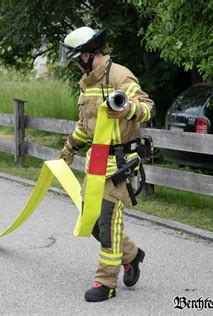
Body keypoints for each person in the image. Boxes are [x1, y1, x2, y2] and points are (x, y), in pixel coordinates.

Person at [57, 26, 154, 302]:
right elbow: (84, 127)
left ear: (88, 54)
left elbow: (148, 107)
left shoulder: (119, 75)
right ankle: (132, 255)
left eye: (78, 59)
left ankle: (105, 282)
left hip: (121, 162)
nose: (76, 64)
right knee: (92, 221)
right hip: (96, 161)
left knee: (109, 220)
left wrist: (127, 109)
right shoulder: (87, 83)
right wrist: (68, 148)